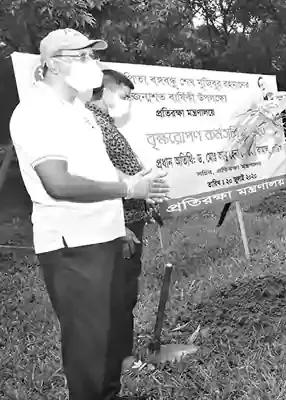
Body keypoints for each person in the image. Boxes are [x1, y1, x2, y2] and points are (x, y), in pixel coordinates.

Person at [9, 28, 169, 400]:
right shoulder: (36, 111)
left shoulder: (78, 111)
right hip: (73, 246)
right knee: (89, 347)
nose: (93, 64)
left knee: (110, 341)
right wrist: (129, 189)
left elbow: (98, 172)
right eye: (82, 57)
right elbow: (58, 183)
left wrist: (121, 217)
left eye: (92, 56)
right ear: (51, 66)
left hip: (103, 237)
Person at [85, 69, 155, 371]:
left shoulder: (106, 124)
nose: (127, 102)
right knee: (118, 291)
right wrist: (119, 223)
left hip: (128, 216)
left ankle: (120, 352)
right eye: (124, 96)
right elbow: (95, 177)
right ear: (105, 90)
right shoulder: (89, 125)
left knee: (125, 289)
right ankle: (119, 359)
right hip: (116, 220)